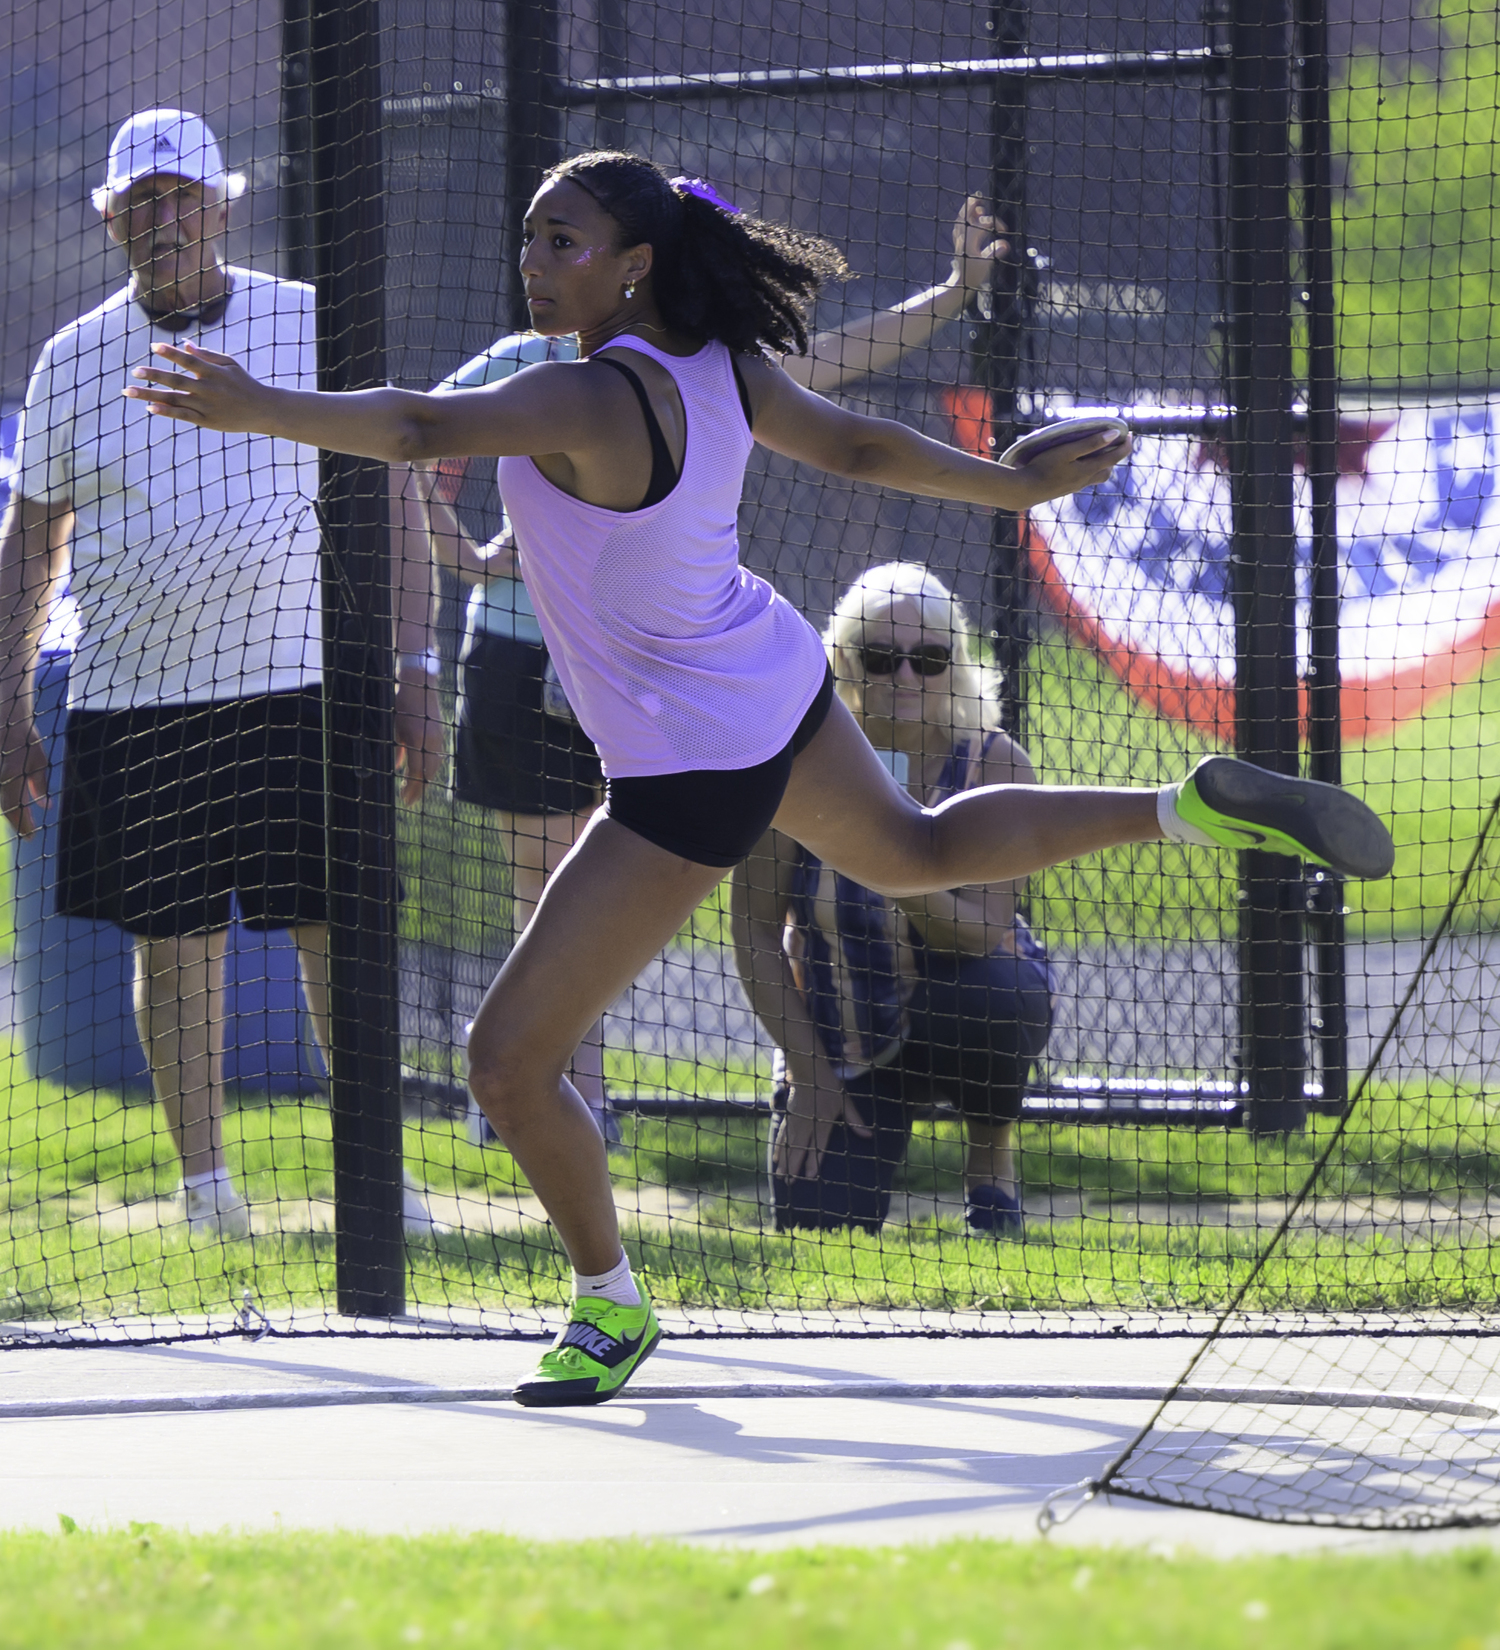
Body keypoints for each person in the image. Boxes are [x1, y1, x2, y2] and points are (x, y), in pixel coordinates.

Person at [127, 149, 1395, 1404]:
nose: (535, 261)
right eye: (528, 237)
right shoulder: (720, 367)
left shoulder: (590, 398)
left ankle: (609, 1307)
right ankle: (1181, 807)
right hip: (772, 668)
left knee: (509, 1063)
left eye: (564, 242)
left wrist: (257, 407)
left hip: (689, 758)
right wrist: (1006, 485)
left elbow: (412, 427)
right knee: (920, 851)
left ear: (637, 265)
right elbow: (857, 449)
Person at [413, 195, 1010, 1141]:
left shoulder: (714, 371)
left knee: (599, 877)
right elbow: (414, 449)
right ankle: (558, 1089)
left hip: (667, 687)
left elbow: (842, 364)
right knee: (543, 879)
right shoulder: (533, 364)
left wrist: (951, 294)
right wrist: (472, 556)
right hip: (526, 660)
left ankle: (568, 1096)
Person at [0, 108, 444, 1240]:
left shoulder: (308, 321)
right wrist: (6, 700)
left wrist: (411, 664)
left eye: (182, 196)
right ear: (109, 220)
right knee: (175, 942)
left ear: (223, 205)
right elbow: (32, 536)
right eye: (139, 202)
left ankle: (377, 1184)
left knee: (336, 927)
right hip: (133, 695)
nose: (163, 220)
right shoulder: (74, 358)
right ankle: (206, 1194)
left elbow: (391, 490)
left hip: (302, 685)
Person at [733, 562, 1053, 1239]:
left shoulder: (996, 765)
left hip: (955, 1006)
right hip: (843, 1029)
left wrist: (894, 857)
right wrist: (810, 1075)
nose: (906, 678)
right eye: (883, 658)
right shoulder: (794, 766)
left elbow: (982, 932)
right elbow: (755, 933)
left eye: (929, 659)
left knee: (999, 994)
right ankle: (840, 1101)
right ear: (847, 664)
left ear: (955, 665)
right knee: (818, 1227)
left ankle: (990, 1158)